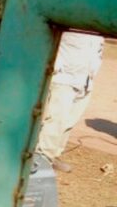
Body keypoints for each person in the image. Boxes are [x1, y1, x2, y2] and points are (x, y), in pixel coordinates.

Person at [35, 31, 105, 172]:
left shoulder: (97, 26)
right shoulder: (69, 17)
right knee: (55, 120)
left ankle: (54, 155)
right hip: (64, 77)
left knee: (69, 122)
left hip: (85, 80)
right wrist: (55, 65)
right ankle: (41, 158)